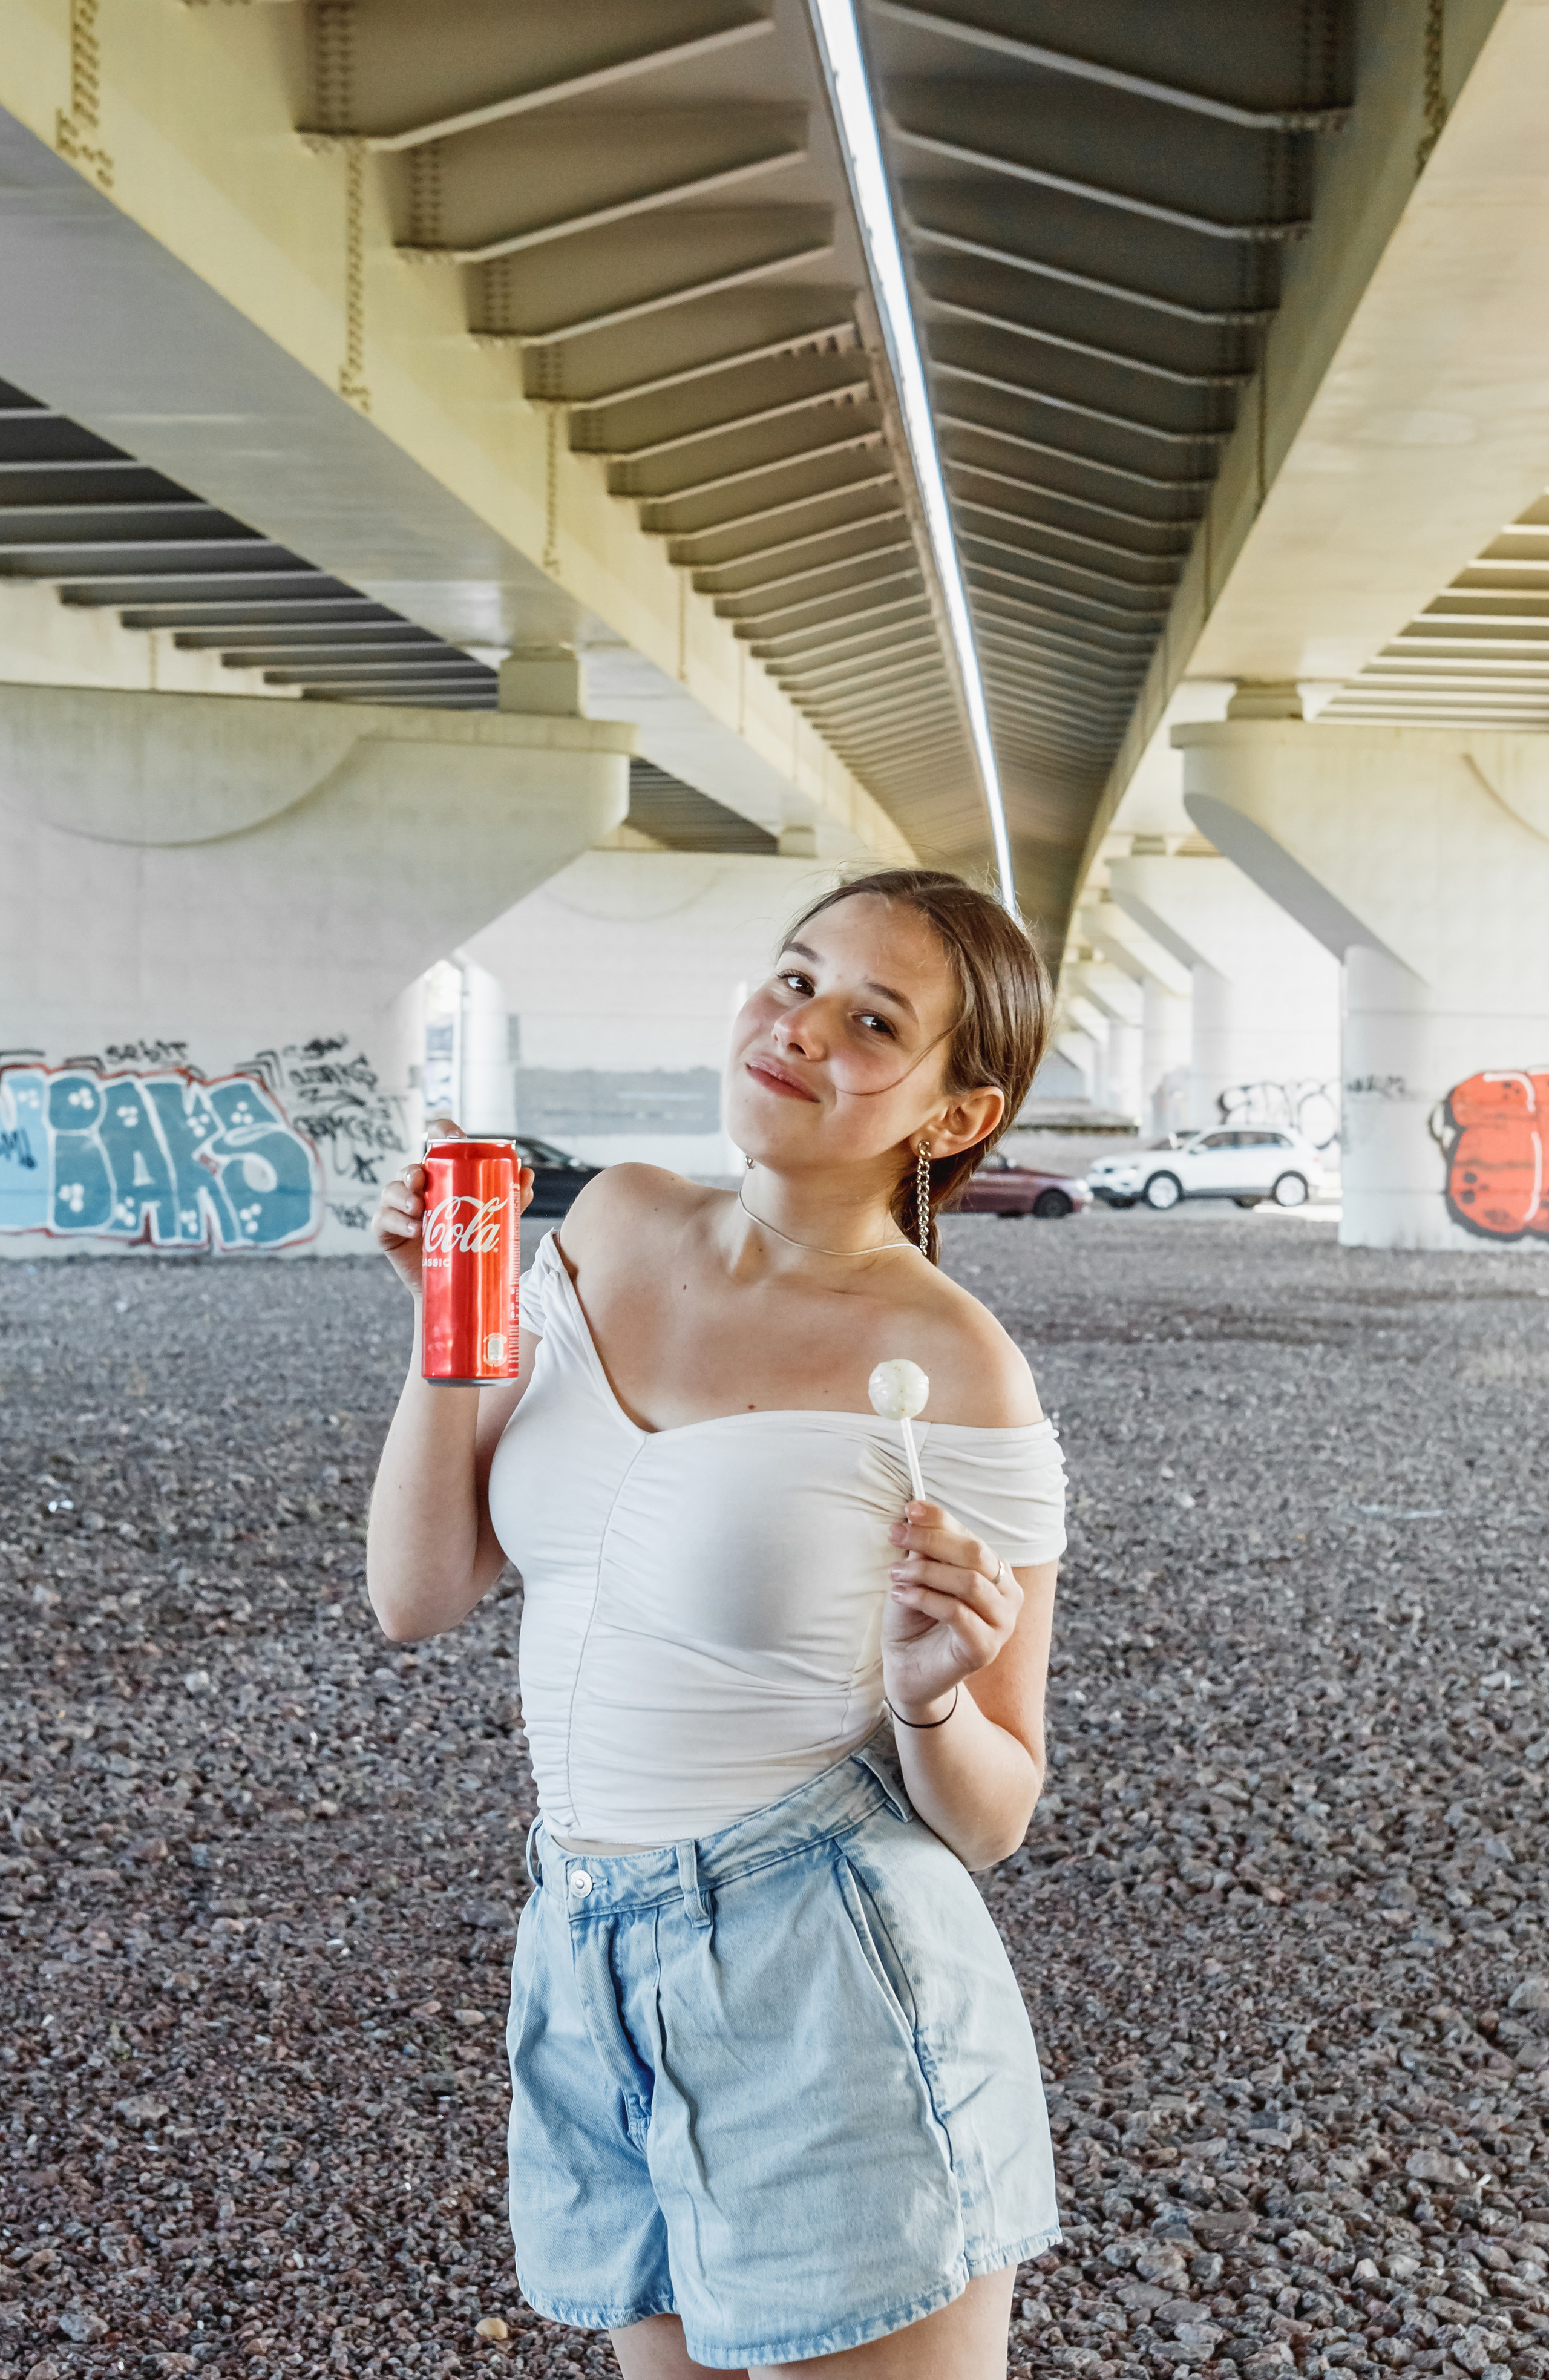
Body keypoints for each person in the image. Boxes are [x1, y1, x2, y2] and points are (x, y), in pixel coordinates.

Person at [367, 868, 1067, 2378]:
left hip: (823, 1969)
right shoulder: (611, 1218)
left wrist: (934, 1698)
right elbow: (418, 1594)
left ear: (950, 1116)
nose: (800, 1026)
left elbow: (996, 1813)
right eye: (796, 974)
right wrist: (446, 1323)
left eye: (872, 1019)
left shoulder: (954, 1366)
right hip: (581, 1953)